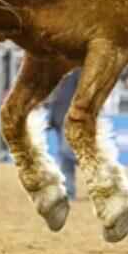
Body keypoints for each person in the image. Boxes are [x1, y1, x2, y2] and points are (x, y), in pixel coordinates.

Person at [45, 69, 81, 199]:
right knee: (64, 157)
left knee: (66, 153)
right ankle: (68, 193)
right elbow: (55, 97)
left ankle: (93, 165)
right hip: (59, 117)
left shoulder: (78, 69)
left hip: (73, 118)